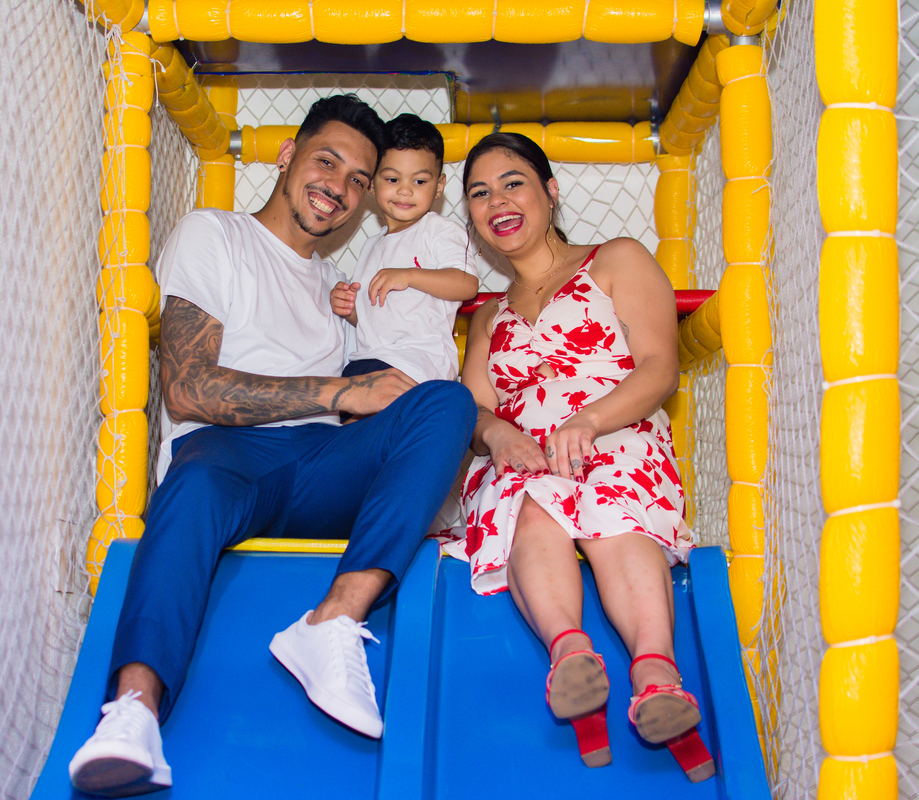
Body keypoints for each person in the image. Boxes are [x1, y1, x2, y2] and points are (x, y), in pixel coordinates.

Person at [67, 95, 476, 797]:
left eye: (358, 179)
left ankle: (334, 620)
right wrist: (338, 393)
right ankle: (132, 712)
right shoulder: (213, 235)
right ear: (287, 155)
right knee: (190, 487)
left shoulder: (334, 288)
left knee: (445, 402)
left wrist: (389, 395)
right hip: (227, 457)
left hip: (321, 467)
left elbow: (375, 393)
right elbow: (188, 389)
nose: (339, 187)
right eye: (327, 162)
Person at [435, 132, 714, 783]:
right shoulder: (488, 317)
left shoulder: (615, 259)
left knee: (612, 504)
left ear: (550, 192)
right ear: (471, 217)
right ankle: (571, 659)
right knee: (528, 499)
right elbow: (473, 410)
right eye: (479, 193)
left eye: (512, 183)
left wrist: (590, 421)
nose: (496, 201)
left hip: (615, 431)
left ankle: (656, 674)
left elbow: (659, 367)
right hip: (527, 458)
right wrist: (498, 434)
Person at [330, 113, 481, 390]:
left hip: (417, 363)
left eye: (420, 182)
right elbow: (371, 318)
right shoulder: (371, 245)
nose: (405, 191)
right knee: (355, 422)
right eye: (392, 179)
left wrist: (409, 276)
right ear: (373, 183)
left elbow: (467, 284)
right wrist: (349, 308)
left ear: (439, 186)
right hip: (366, 360)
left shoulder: (438, 230)